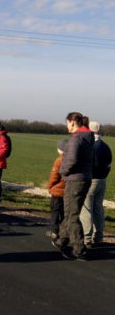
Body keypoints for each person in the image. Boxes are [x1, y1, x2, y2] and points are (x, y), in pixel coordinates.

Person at [52, 112, 94, 261]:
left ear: (72, 122)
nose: (67, 126)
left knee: (72, 215)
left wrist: (62, 171)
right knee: (70, 211)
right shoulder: (89, 138)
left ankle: (79, 249)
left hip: (75, 180)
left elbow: (72, 159)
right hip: (85, 178)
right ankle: (61, 240)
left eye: (67, 123)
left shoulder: (76, 138)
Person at [80, 121, 112, 248]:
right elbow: (109, 165)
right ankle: (98, 236)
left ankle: (87, 238)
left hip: (91, 180)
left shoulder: (91, 145)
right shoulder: (106, 146)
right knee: (98, 209)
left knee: (86, 209)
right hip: (102, 180)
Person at [46, 139, 67, 240]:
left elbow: (54, 176)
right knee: (64, 212)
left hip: (57, 190)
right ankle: (63, 232)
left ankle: (54, 231)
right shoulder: (72, 160)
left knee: (55, 210)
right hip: (67, 190)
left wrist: (49, 186)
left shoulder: (59, 160)